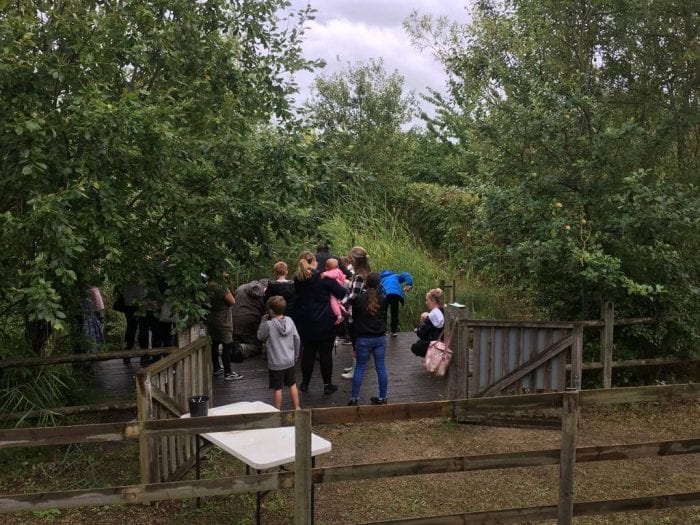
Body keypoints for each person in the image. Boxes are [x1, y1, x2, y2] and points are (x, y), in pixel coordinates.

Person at [292, 250, 347, 395]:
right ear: (314, 262)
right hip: (324, 322)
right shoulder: (324, 279)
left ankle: (305, 383)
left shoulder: (298, 280)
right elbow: (341, 292)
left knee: (308, 352)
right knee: (325, 354)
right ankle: (327, 384)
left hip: (305, 322)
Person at [347, 272, 389, 406]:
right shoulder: (383, 299)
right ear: (379, 285)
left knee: (359, 368)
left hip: (363, 338)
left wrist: (353, 341)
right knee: (381, 368)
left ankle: (354, 398)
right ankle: (383, 397)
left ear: (366, 284)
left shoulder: (358, 300)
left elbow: (353, 320)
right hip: (379, 338)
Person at [257, 295, 301, 410]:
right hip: (289, 361)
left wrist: (262, 321)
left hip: (276, 363)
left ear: (270, 311)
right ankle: (297, 407)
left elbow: (260, 336)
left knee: (278, 389)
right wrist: (295, 356)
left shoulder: (269, 325)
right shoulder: (290, 321)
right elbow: (297, 339)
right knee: (292, 384)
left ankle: (277, 411)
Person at [340, 246, 371, 380]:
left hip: (356, 312)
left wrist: (341, 302)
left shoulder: (359, 276)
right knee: (355, 341)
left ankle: (356, 369)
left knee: (355, 342)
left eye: (351, 259)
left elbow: (354, 296)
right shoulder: (366, 273)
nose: (349, 261)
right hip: (362, 312)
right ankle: (355, 366)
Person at [206, 273, 243, 381]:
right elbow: (232, 301)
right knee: (227, 345)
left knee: (215, 343)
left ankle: (216, 367)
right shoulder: (220, 287)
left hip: (211, 318)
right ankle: (228, 372)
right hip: (223, 319)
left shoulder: (207, 286)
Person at [231, 279, 267, 359]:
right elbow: (264, 313)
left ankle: (231, 346)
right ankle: (242, 349)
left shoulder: (240, 288)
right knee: (257, 346)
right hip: (250, 324)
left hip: (234, 323)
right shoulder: (263, 294)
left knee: (237, 339)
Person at [410, 288, 445, 358]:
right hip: (442, 340)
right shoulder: (443, 310)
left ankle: (431, 357)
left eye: (427, 300)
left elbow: (421, 333)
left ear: (433, 301)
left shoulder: (432, 316)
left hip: (434, 343)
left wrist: (418, 327)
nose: (426, 303)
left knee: (415, 346)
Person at [379, 270, 413, 336]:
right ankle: (393, 331)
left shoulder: (381, 279)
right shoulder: (395, 276)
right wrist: (409, 284)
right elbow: (406, 274)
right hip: (395, 294)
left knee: (383, 313)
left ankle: (384, 331)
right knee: (394, 312)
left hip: (385, 294)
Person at [321, 257, 349, 325]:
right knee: (338, 302)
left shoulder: (333, 272)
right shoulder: (338, 271)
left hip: (336, 289)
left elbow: (332, 275)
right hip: (340, 287)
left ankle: (339, 315)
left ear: (326, 267)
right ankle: (344, 311)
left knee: (333, 303)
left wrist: (324, 274)